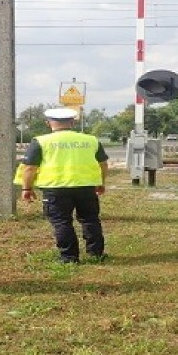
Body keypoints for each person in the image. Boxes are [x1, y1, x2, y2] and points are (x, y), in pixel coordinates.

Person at [17, 108, 109, 263]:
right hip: (86, 187)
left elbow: (29, 168)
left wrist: (27, 188)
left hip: (55, 188)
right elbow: (103, 164)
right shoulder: (91, 140)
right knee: (90, 219)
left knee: (61, 222)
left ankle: (69, 257)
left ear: (48, 123)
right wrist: (100, 182)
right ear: (72, 122)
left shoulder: (41, 141)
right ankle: (96, 253)